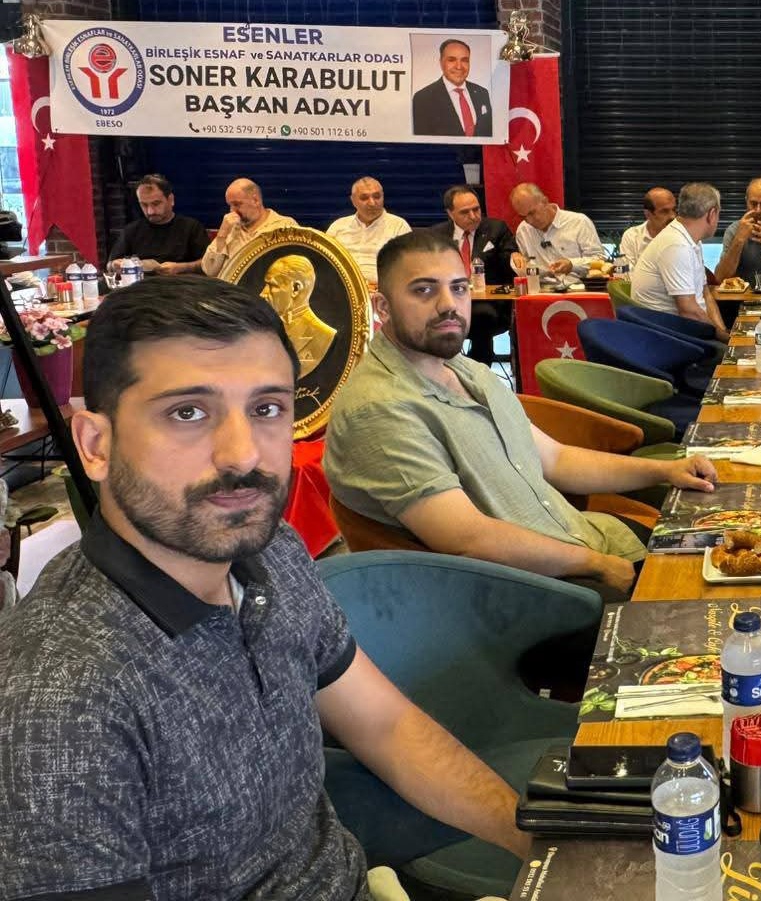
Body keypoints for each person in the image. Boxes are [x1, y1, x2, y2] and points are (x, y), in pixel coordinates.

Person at [0, 275, 531, 897]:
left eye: (267, 408)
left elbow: (385, 725)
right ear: (96, 444)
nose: (242, 454)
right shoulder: (59, 701)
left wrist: (538, 838)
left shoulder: (269, 554)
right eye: (187, 412)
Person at [323, 231, 720, 601]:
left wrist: (666, 471)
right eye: (423, 290)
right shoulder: (379, 409)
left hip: (583, 539)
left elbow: (556, 460)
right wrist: (596, 564)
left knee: (725, 543)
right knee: (711, 604)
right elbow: (467, 539)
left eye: (458, 288)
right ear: (383, 307)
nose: (448, 305)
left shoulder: (465, 371)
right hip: (534, 593)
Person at [425, 185, 517, 365]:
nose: (473, 216)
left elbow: (510, 263)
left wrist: (515, 258)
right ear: (450, 214)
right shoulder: (436, 235)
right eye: (465, 212)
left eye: (476, 209)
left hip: (488, 304)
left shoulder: (496, 229)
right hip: (448, 300)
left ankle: (477, 372)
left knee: (482, 316)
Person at [630, 182, 730, 342]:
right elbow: (689, 311)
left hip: (684, 332)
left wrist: (724, 333)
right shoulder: (676, 245)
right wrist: (725, 340)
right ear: (711, 214)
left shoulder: (691, 239)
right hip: (669, 339)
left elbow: (705, 293)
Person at [106, 173, 209, 274]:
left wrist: (182, 268)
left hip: (179, 281)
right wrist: (114, 265)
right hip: (141, 282)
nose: (150, 211)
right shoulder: (132, 230)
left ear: (171, 200)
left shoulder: (191, 228)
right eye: (144, 205)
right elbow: (110, 265)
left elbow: (208, 264)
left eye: (156, 204)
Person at [200, 178, 299, 277]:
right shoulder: (229, 229)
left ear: (255, 200)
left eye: (237, 204)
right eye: (230, 205)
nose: (232, 211)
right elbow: (210, 271)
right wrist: (222, 235)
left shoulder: (285, 226)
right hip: (228, 286)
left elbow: (296, 269)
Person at [327, 176, 411, 287]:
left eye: (377, 197)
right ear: (353, 201)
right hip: (342, 288)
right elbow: (325, 262)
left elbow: (409, 266)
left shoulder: (399, 226)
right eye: (364, 198)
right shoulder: (338, 226)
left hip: (382, 289)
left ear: (383, 197)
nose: (372, 203)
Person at [510, 183, 605, 277]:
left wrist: (572, 264)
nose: (529, 221)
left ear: (544, 202)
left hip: (578, 285)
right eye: (523, 217)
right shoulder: (523, 230)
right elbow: (525, 270)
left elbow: (600, 260)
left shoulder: (579, 222)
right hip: (540, 286)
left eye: (532, 213)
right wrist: (517, 261)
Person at [411, 38, 493, 138]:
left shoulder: (482, 93)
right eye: (451, 60)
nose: (459, 66)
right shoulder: (423, 98)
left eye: (464, 60)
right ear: (441, 62)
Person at [618, 186, 678, 267]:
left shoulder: (683, 234)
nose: (672, 216)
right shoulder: (632, 236)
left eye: (674, 210)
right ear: (648, 214)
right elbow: (627, 272)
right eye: (664, 211)